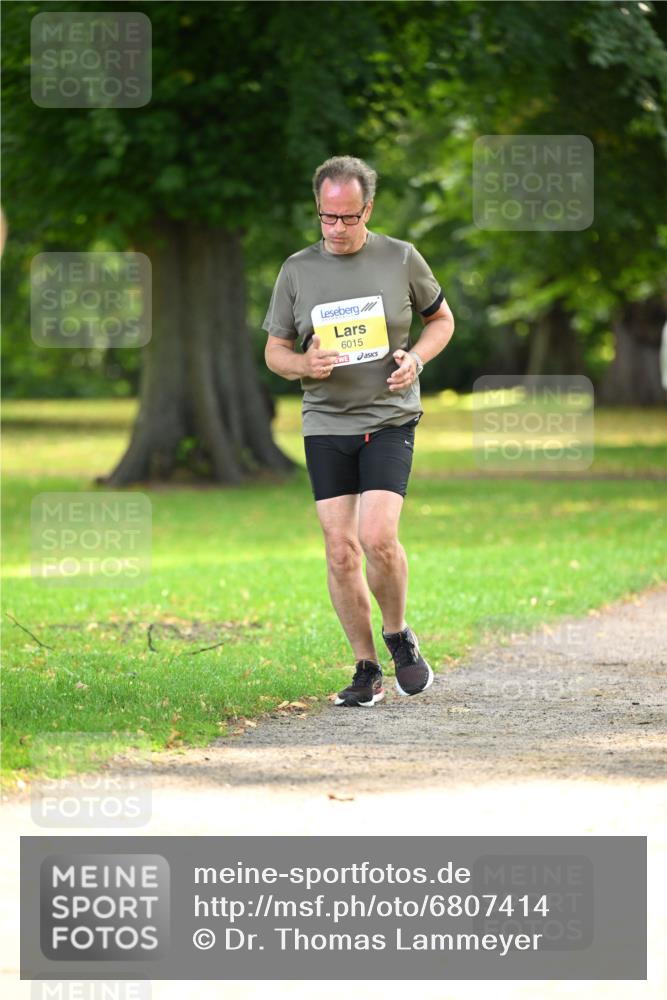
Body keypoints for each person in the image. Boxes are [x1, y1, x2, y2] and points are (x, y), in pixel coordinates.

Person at [263, 155, 454, 708]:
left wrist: (415, 359)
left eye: (348, 218)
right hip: (326, 423)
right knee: (340, 551)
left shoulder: (400, 258)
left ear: (367, 208)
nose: (338, 229)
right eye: (328, 218)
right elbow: (275, 351)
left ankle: (398, 635)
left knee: (376, 537)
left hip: (389, 418)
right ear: (318, 211)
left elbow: (441, 320)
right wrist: (304, 366)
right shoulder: (296, 271)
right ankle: (365, 667)